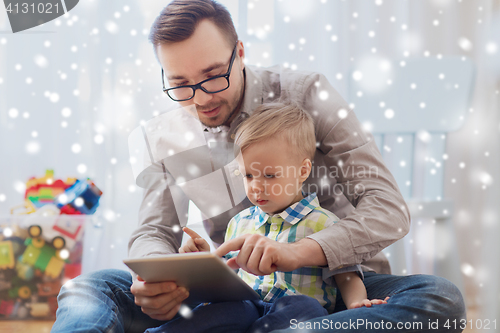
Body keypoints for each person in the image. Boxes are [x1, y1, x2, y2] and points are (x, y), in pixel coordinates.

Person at [51, 1, 466, 332]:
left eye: (213, 76)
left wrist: (298, 252)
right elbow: (153, 232)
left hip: (333, 291)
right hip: (231, 298)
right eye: (179, 84)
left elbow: (387, 208)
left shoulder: (308, 94)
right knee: (89, 289)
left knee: (439, 299)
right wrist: (161, 277)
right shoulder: (160, 135)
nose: (199, 99)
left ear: (241, 54)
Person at [145, 104, 390, 333]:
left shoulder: (324, 223)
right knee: (223, 310)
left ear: (303, 171)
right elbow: (227, 279)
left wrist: (359, 304)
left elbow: (347, 275)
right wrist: (202, 259)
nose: (256, 187)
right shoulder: (239, 223)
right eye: (248, 175)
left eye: (270, 176)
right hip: (247, 305)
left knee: (308, 309)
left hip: (292, 309)